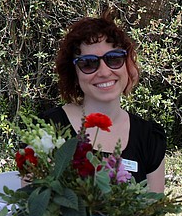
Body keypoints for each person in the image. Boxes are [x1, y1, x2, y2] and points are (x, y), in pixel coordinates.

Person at [44, 12, 166, 192]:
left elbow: (154, 208)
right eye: (88, 63)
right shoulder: (47, 130)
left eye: (114, 59)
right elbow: (35, 204)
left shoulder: (149, 137)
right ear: (74, 73)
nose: (104, 72)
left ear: (128, 64)